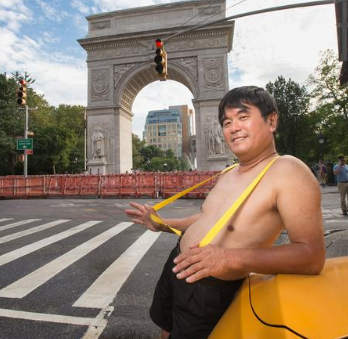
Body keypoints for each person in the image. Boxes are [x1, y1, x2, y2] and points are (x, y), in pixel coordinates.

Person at [125, 86, 325, 339]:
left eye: (243, 117)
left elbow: (312, 256)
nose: (233, 127)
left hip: (211, 285)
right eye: (227, 121)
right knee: (167, 327)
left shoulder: (288, 170)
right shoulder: (229, 172)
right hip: (179, 263)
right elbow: (209, 220)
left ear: (271, 120)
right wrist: (163, 224)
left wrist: (228, 259)